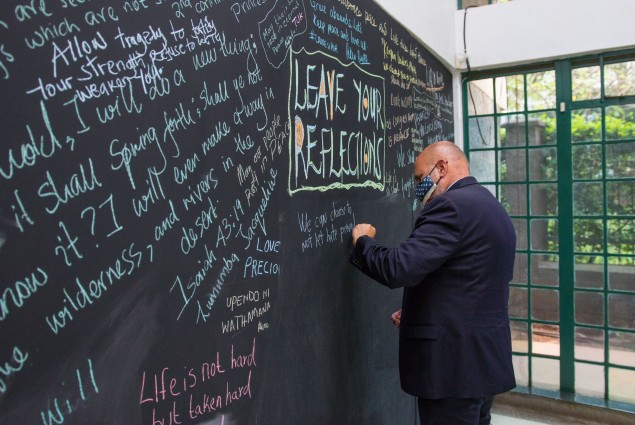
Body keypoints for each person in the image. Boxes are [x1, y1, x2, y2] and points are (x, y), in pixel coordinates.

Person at [349, 141, 516, 425]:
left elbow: (398, 268)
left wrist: (363, 242)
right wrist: (421, 311)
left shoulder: (449, 207)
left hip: (453, 369)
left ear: (441, 168)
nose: (418, 187)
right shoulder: (492, 206)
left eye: (419, 178)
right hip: (483, 360)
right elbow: (471, 282)